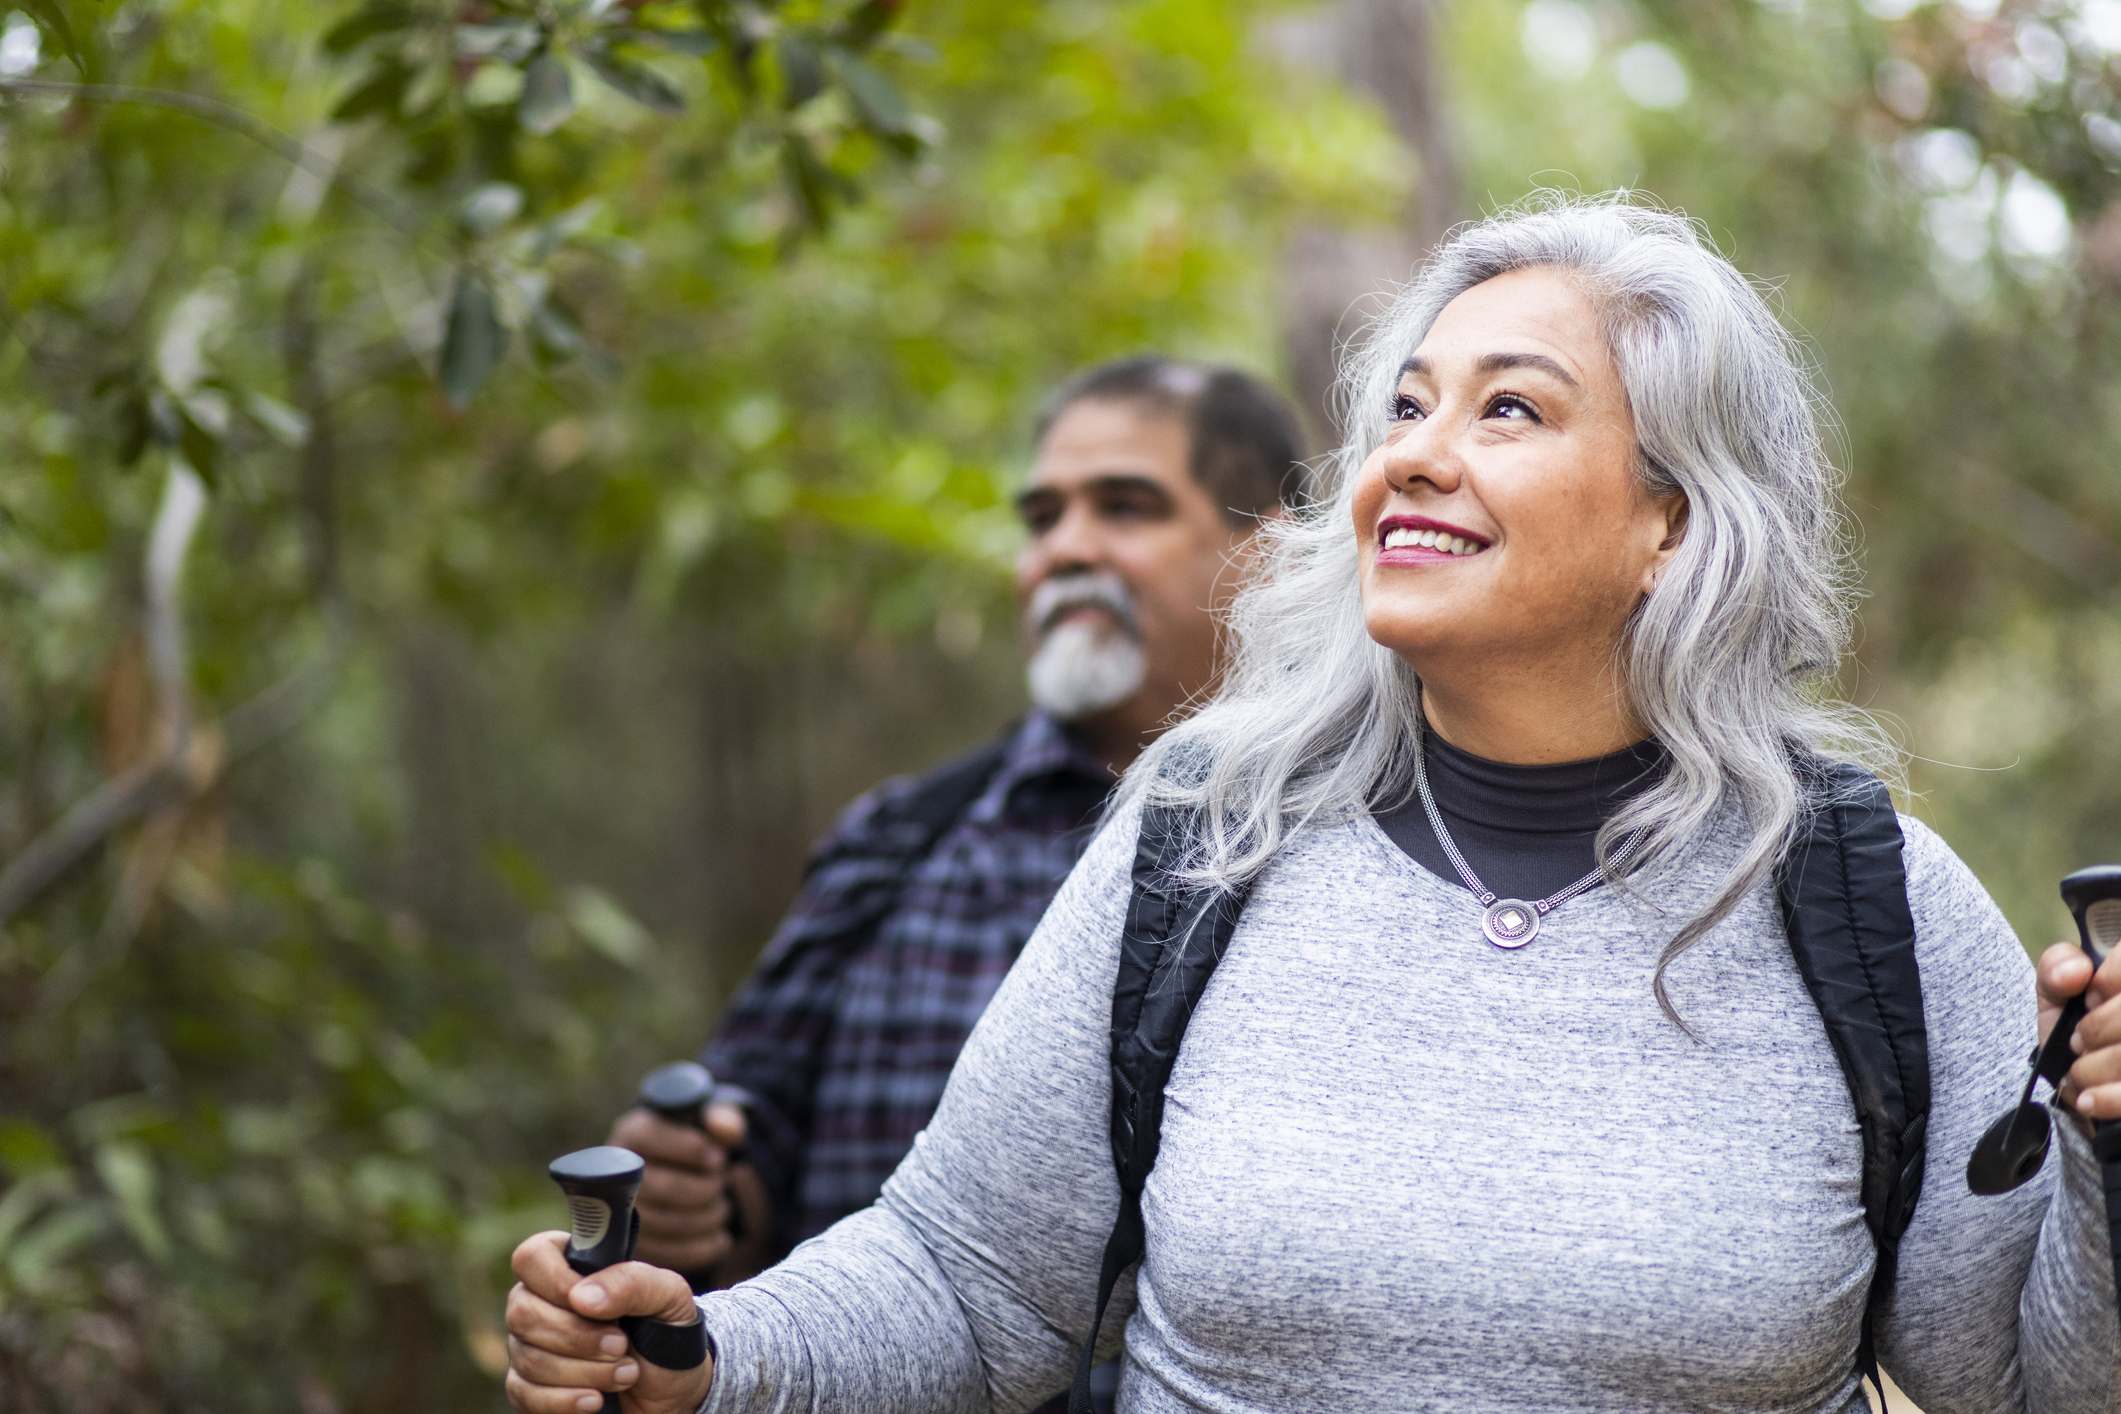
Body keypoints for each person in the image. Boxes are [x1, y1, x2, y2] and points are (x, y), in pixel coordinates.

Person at [502, 196, 2121, 1414]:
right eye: (1405, 404)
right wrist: (705, 1352)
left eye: (1507, 408)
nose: (1412, 454)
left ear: (1674, 524)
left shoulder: (1860, 890)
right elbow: (970, 1277)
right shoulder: (1208, 830)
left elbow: (2032, 1379)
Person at [604, 356, 1305, 1297]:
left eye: (1125, 506)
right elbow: (749, 1148)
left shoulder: (1363, 844)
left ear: (1270, 552)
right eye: (1042, 518)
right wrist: (696, 1192)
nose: (1066, 549)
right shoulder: (902, 840)